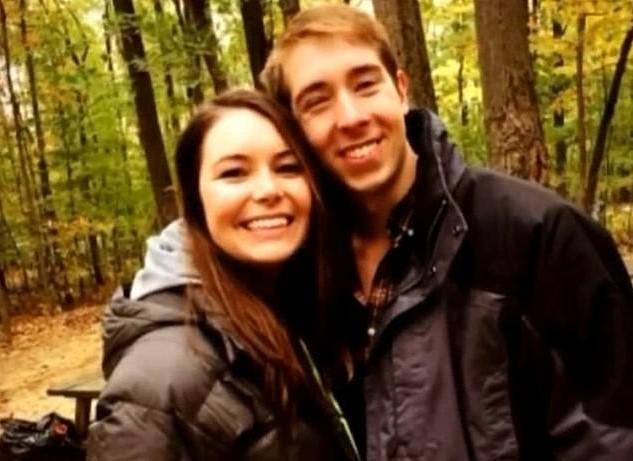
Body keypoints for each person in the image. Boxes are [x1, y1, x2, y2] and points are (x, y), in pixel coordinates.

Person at [128, 4, 633, 461]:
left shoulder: (535, 236)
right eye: (317, 101)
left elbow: (614, 436)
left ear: (402, 88)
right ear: (294, 127)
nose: (351, 117)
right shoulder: (298, 266)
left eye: (366, 84)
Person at [86, 89, 359, 461]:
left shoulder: (295, 311)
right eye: (234, 173)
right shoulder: (164, 379)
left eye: (288, 167)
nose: (268, 190)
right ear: (196, 199)